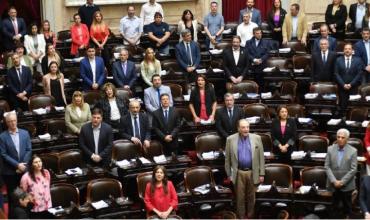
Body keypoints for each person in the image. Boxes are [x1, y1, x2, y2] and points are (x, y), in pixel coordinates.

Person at [225, 119, 265, 219]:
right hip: (238, 172)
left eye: (247, 127)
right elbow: (227, 159)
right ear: (238, 128)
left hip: (253, 172)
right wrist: (229, 174)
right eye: (243, 127)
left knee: (252, 197)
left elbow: (261, 157)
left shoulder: (257, 138)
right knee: (240, 198)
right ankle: (241, 217)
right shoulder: (230, 139)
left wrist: (262, 174)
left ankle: (250, 216)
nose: (246, 129)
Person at [0, 112, 32, 218]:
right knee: (13, 196)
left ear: (17, 120)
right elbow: (3, 154)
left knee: (25, 194)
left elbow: (29, 150)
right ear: (6, 123)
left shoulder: (25, 133)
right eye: (10, 122)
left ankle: (27, 215)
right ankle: (13, 217)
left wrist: (23, 165)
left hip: (24, 171)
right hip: (10, 172)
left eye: (14, 121)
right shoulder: (2, 136)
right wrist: (17, 165)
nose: (12, 123)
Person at [325, 128, 357, 218]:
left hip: (347, 185)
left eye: (342, 137)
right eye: (338, 137)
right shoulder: (330, 149)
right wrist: (334, 181)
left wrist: (342, 182)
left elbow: (353, 169)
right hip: (333, 184)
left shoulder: (353, 151)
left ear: (347, 139)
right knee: (334, 208)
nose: (340, 139)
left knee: (347, 208)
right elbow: (327, 166)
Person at [335, 43, 364, 116]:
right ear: (343, 50)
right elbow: (336, 74)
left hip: (354, 87)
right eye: (346, 49)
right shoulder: (338, 60)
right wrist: (343, 84)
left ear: (352, 50)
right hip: (342, 87)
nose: (347, 50)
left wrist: (351, 84)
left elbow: (359, 74)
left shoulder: (358, 60)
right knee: (343, 107)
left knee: (352, 107)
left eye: (349, 49)